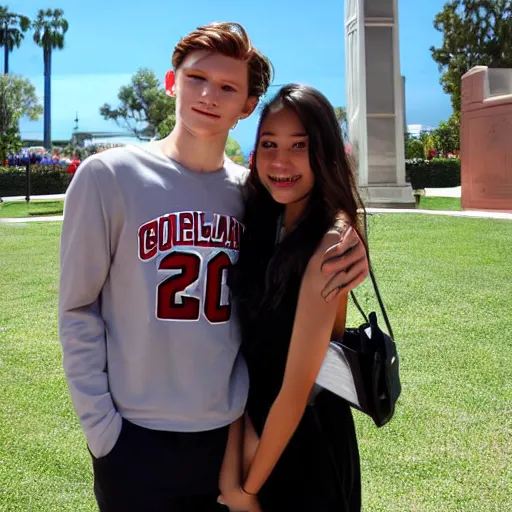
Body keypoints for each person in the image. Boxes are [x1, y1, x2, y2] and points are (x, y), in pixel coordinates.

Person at [59, 23, 368, 512]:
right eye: (197, 78)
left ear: (247, 106)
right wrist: (102, 430)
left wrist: (349, 231)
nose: (209, 95)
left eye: (228, 87)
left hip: (229, 437)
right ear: (171, 82)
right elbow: (77, 308)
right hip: (134, 438)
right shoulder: (108, 176)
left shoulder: (255, 194)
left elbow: (313, 220)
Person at [218, 84, 364, 511]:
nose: (281, 162)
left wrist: (246, 491)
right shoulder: (263, 217)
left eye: (299, 146)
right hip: (250, 428)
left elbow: (298, 388)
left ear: (324, 152)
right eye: (269, 144)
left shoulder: (331, 244)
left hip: (302, 445)